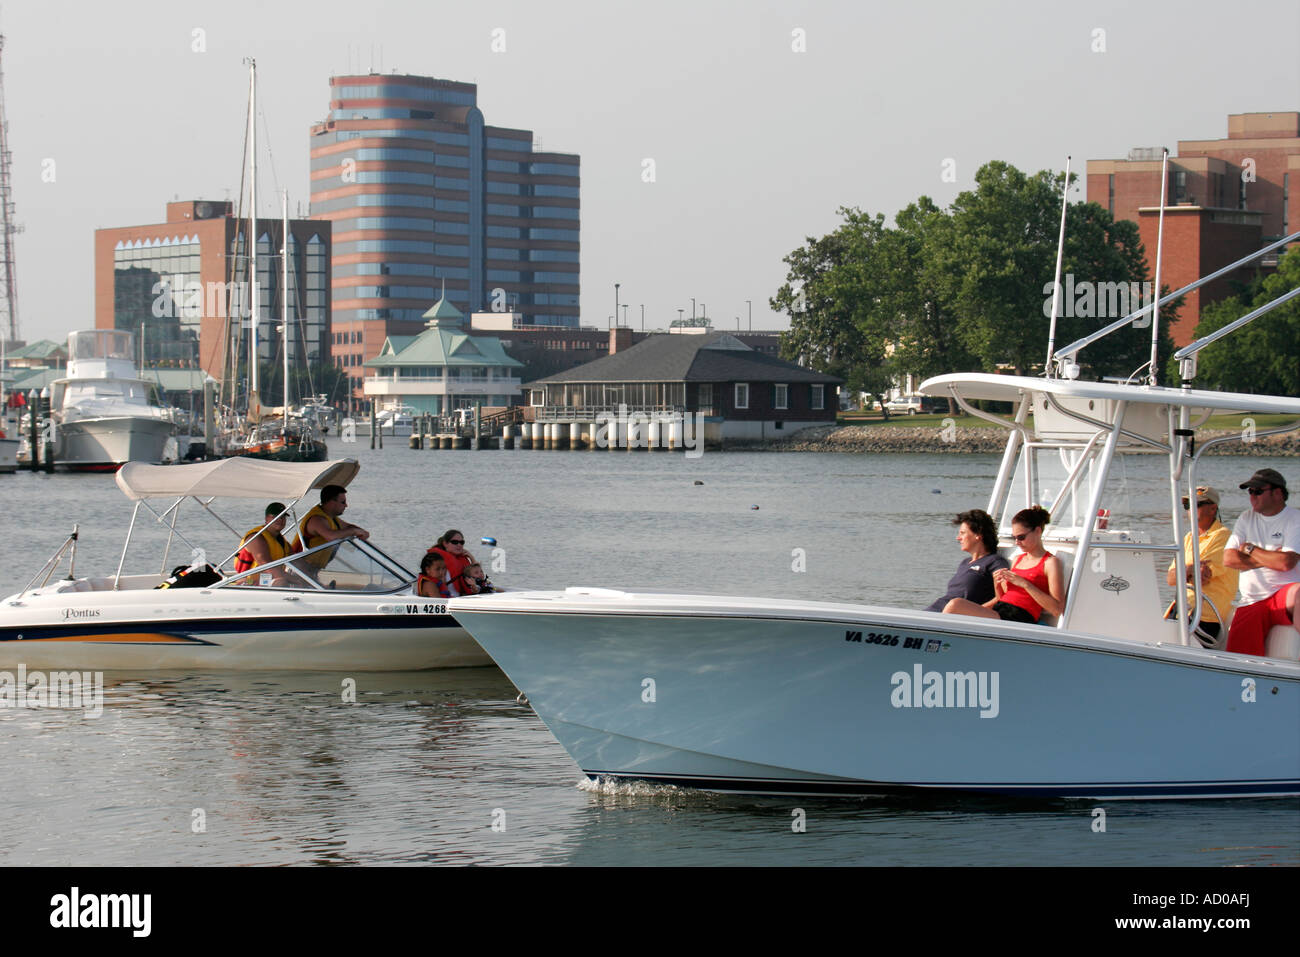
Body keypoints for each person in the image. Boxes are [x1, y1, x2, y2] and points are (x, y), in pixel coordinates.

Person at [943, 505, 1064, 624]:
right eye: (1014, 538)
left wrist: (1025, 584)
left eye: (1021, 537)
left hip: (1019, 617)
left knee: (956, 604)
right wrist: (997, 585)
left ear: (1037, 531)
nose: (1017, 542)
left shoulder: (1050, 562)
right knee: (958, 609)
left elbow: (1056, 609)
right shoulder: (1018, 559)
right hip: (1001, 610)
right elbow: (1003, 597)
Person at [1224, 469, 1300, 657]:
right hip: (1253, 599)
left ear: (1277, 493)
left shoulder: (1295, 519)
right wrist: (1271, 557)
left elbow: (1285, 563)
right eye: (1250, 491)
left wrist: (1251, 549)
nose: (1252, 496)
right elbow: (1229, 559)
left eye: (1258, 491)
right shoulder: (1246, 517)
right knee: (1238, 661)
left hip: (1283, 593)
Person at [1164, 486, 1238, 643]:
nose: (1189, 509)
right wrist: (1190, 569)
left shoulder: (1223, 536)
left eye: (1195, 505)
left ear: (1213, 509)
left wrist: (1185, 573)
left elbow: (1201, 578)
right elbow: (1170, 579)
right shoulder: (1188, 538)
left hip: (1206, 618)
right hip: (1181, 611)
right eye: (1187, 505)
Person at [926, 509, 1009, 612]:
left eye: (962, 533)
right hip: (935, 612)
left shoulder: (995, 562)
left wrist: (974, 613)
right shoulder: (964, 563)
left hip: (954, 617)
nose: (958, 538)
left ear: (978, 534)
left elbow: (1005, 596)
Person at [295, 484, 370, 570]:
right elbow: (331, 536)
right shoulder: (317, 519)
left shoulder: (332, 518)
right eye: (343, 502)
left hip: (311, 570)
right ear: (331, 503)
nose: (346, 505)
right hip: (297, 569)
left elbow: (348, 527)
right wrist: (354, 531)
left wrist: (361, 531)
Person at [234, 502, 297, 583]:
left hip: (266, 580)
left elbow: (296, 561)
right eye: (275, 516)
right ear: (266, 518)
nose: (280, 520)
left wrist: (309, 574)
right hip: (248, 581)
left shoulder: (282, 541)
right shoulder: (256, 538)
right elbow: (266, 565)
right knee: (281, 582)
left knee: (286, 581)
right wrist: (295, 580)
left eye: (283, 516)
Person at [428, 529, 476, 596]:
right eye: (455, 542)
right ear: (445, 544)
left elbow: (478, 576)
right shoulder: (437, 562)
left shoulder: (462, 559)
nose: (459, 545)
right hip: (448, 600)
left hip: (462, 598)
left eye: (461, 542)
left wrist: (471, 557)